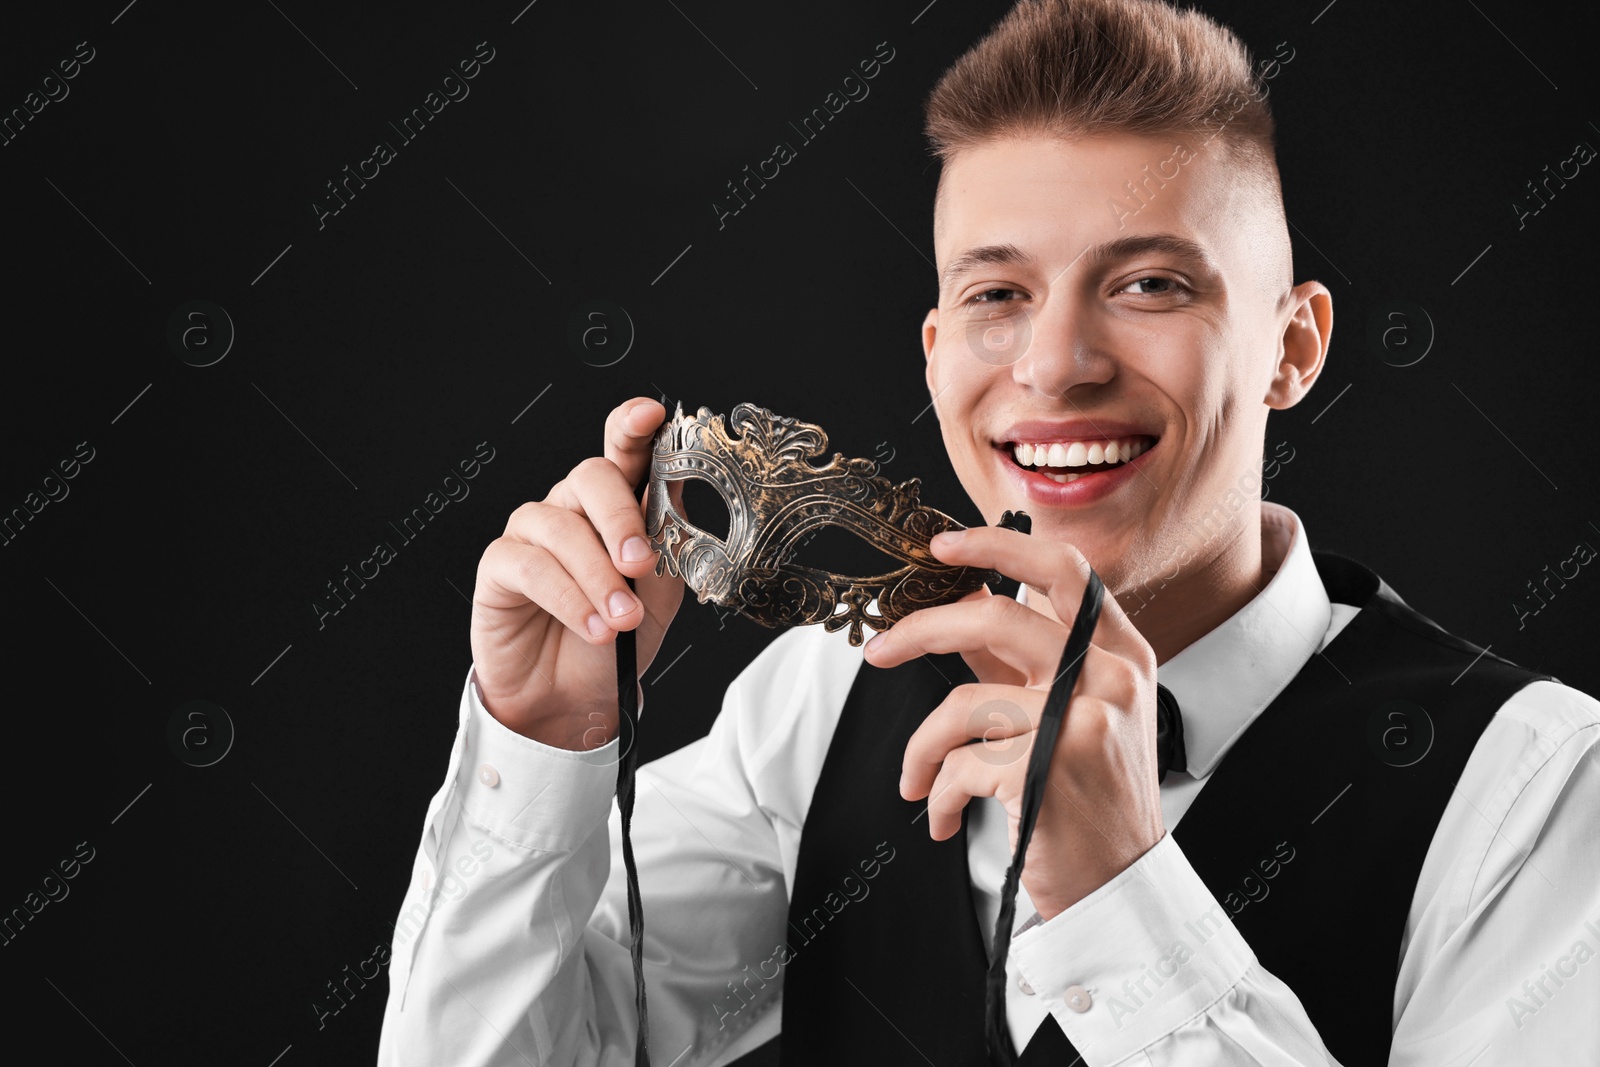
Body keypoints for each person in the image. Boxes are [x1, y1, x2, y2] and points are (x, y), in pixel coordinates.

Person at [377, 0, 1600, 1063]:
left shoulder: (1535, 784)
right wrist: (537, 752)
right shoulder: (829, 695)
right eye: (997, 295)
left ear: (1293, 346)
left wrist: (1124, 895)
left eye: (1150, 284)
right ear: (936, 351)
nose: (1055, 366)